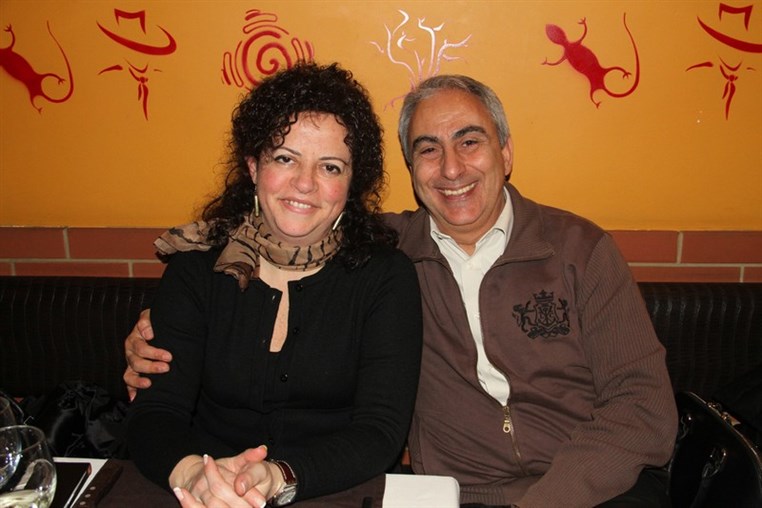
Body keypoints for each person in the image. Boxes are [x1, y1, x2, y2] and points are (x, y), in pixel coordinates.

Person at [126, 73, 677, 507]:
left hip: (599, 491)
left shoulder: (578, 250)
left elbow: (644, 407)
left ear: (506, 152)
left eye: (470, 141)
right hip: (461, 495)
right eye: (429, 149)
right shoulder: (389, 252)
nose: (452, 169)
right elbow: (298, 229)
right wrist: (149, 336)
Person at [125, 62, 423, 508]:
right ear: (253, 165)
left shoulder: (384, 277)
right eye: (285, 158)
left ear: (351, 183)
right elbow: (155, 413)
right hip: (200, 492)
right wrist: (197, 477)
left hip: (333, 491)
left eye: (330, 167)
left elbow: (380, 432)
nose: (304, 183)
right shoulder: (196, 269)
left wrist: (277, 477)